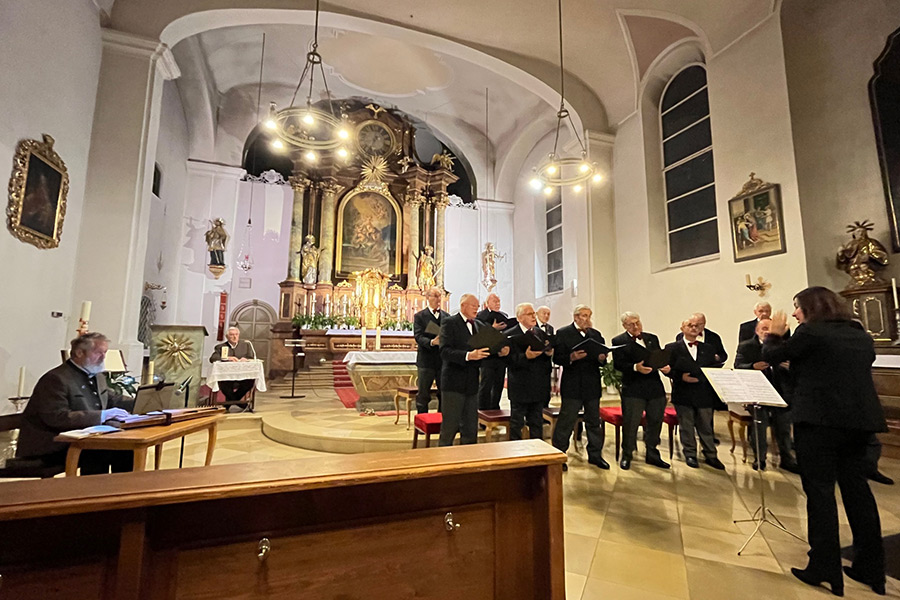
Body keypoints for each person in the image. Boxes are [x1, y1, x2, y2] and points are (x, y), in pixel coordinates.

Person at [763, 287, 887, 596]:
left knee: (820, 495)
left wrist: (774, 335)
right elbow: (842, 368)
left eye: (797, 308)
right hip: (859, 423)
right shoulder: (859, 332)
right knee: (859, 493)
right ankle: (871, 568)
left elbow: (773, 356)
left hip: (819, 423)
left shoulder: (811, 332)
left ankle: (824, 567)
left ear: (810, 308)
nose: (793, 314)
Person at [17, 332, 135, 475]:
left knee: (127, 447)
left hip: (85, 438)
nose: (103, 358)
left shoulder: (97, 375)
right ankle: (92, 494)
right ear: (79, 353)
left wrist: (145, 401)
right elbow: (57, 417)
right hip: (52, 444)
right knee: (102, 451)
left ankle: (122, 492)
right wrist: (103, 415)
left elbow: (112, 398)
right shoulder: (56, 379)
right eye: (98, 353)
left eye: (105, 353)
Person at [439, 294, 508, 446]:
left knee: (471, 428)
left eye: (477, 306)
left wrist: (500, 350)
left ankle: (469, 462)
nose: (477, 308)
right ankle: (443, 462)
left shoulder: (478, 324)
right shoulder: (450, 322)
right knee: (450, 427)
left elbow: (487, 346)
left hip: (472, 383)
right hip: (453, 383)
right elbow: (444, 351)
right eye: (473, 305)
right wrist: (468, 356)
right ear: (463, 306)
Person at [734, 318, 799, 473]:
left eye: (770, 329)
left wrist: (791, 367)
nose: (767, 332)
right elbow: (738, 365)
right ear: (756, 330)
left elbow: (798, 367)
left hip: (781, 392)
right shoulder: (747, 346)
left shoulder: (784, 346)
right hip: (758, 392)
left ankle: (787, 459)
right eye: (763, 328)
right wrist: (752, 366)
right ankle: (760, 459)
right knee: (759, 427)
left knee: (783, 429)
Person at [552, 304, 609, 470]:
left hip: (592, 383)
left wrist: (601, 358)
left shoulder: (596, 334)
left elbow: (603, 357)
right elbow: (557, 358)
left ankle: (595, 455)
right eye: (583, 315)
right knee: (566, 421)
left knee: (593, 422)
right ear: (576, 317)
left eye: (589, 315)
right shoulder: (563, 333)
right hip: (573, 384)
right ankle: (559, 455)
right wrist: (571, 357)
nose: (587, 319)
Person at [612, 312, 671, 470]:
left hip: (654, 387)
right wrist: (635, 367)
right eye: (631, 324)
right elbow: (618, 364)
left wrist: (663, 365)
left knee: (655, 421)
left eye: (637, 322)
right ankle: (627, 454)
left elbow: (658, 356)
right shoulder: (618, 341)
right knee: (631, 422)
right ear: (625, 326)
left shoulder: (652, 338)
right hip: (633, 388)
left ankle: (652, 452)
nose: (636, 326)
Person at [665, 317, 726, 470]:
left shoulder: (709, 348)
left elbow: (714, 367)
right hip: (683, 392)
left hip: (703, 392)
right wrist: (680, 377)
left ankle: (711, 454)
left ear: (701, 329)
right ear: (682, 328)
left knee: (706, 426)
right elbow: (666, 369)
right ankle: (690, 454)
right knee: (686, 425)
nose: (693, 328)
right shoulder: (672, 348)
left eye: (696, 326)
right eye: (689, 325)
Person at [504, 303, 553, 440]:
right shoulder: (509, 335)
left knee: (536, 423)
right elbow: (507, 361)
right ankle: (516, 455)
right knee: (517, 423)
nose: (533, 316)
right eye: (529, 314)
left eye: (533, 313)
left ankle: (537, 454)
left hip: (538, 386)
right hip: (520, 386)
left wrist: (549, 354)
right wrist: (525, 356)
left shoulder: (540, 333)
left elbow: (545, 360)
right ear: (519, 318)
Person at [413, 287, 449, 414]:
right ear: (428, 298)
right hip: (426, 361)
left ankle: (441, 421)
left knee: (443, 392)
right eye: (435, 296)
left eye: (440, 296)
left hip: (442, 361)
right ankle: (422, 421)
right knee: (423, 394)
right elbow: (418, 336)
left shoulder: (447, 317)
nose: (438, 299)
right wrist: (432, 342)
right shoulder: (420, 316)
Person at [476, 293, 513, 410]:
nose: (498, 304)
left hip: (501, 357)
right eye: (495, 302)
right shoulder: (480, 316)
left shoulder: (503, 316)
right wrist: (493, 329)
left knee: (498, 384)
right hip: (488, 356)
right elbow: (478, 335)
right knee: (486, 385)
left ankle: (495, 408)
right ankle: (483, 410)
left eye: (499, 302)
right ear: (487, 303)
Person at [209, 326, 256, 411]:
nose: (235, 337)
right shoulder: (220, 347)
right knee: (224, 384)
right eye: (232, 335)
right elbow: (212, 359)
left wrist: (246, 359)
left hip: (243, 376)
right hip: (227, 377)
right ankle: (242, 405)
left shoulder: (246, 345)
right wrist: (227, 358)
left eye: (236, 334)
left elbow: (251, 357)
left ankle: (229, 403)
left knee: (250, 382)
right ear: (227, 337)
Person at [536, 305, 556, 407]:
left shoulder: (550, 328)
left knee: (545, 389)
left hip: (546, 362)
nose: (546, 316)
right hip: (535, 362)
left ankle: (545, 410)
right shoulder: (532, 327)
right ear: (537, 314)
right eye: (544, 313)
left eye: (548, 314)